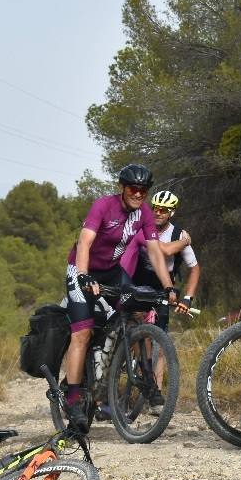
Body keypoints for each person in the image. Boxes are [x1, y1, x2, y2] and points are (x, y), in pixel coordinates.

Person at [63, 163, 183, 430]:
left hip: (111, 271)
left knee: (136, 314)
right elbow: (85, 242)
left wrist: (168, 286)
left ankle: (127, 372)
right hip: (82, 269)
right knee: (81, 333)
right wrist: (83, 275)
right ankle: (72, 396)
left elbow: (155, 251)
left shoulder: (144, 214)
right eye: (133, 189)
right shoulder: (103, 206)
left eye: (143, 190)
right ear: (122, 188)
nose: (138, 194)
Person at [132, 189, 200, 410]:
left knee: (159, 341)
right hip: (138, 283)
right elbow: (162, 250)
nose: (157, 213)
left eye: (163, 210)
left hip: (164, 289)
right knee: (137, 337)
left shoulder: (178, 233)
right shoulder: (143, 226)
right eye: (155, 208)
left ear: (172, 212)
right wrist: (181, 244)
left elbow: (195, 268)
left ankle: (156, 394)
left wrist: (188, 298)